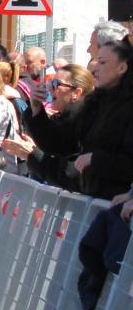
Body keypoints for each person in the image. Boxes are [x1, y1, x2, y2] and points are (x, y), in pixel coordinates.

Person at [22, 37, 133, 199]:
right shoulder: (94, 103)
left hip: (116, 203)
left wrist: (96, 159)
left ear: (122, 67)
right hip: (93, 199)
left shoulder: (127, 106)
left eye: (102, 62)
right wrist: (37, 110)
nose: (95, 69)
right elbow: (61, 142)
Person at [5, 63, 94, 188]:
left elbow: (68, 170)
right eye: (50, 83)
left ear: (76, 93)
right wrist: (36, 108)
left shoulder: (85, 120)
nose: (50, 89)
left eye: (56, 84)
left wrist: (31, 154)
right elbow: (50, 141)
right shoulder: (64, 117)